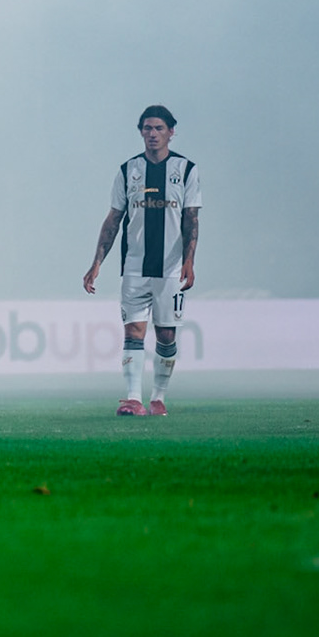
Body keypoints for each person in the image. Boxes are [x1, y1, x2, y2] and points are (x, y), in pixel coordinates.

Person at [83, 105, 200, 417]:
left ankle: (158, 397)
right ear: (140, 132)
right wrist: (97, 262)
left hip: (171, 268)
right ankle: (133, 399)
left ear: (171, 132)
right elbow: (113, 219)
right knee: (133, 331)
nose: (152, 134)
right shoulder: (128, 171)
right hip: (134, 267)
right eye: (147, 128)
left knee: (166, 335)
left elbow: (191, 219)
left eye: (159, 128)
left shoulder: (186, 170)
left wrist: (189, 260)